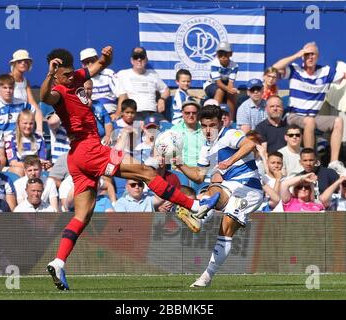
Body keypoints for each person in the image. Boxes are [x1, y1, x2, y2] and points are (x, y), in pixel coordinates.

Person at [40, 47, 220, 290]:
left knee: (82, 215)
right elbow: (44, 97)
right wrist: (50, 75)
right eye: (61, 74)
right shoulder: (58, 89)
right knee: (146, 172)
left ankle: (59, 261)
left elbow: (96, 67)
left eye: (68, 73)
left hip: (79, 156)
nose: (67, 77)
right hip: (89, 149)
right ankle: (195, 206)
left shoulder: (77, 77)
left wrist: (105, 58)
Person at [173, 104, 263, 287]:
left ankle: (206, 276)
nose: (208, 130)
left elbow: (250, 144)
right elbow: (198, 176)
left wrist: (229, 161)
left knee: (226, 228)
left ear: (220, 123)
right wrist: (180, 164)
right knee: (208, 189)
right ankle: (200, 217)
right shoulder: (206, 148)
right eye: (204, 126)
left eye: (212, 125)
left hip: (249, 188)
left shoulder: (230, 134)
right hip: (229, 186)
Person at [272, 42, 346, 175]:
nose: (310, 57)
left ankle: (333, 163)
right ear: (302, 56)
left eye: (313, 54)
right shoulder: (295, 70)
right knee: (309, 121)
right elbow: (274, 68)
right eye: (307, 54)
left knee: (338, 121)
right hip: (294, 116)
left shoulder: (325, 71)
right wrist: (298, 54)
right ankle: (308, 161)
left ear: (318, 56)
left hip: (313, 117)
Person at [114, 47, 170, 120]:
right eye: (136, 57)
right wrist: (117, 113)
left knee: (167, 129)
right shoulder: (122, 74)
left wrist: (162, 99)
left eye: (142, 57)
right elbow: (119, 94)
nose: (139, 59)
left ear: (146, 60)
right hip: (134, 114)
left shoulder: (153, 74)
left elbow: (166, 90)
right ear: (131, 60)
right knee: (138, 129)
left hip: (152, 113)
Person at [4, 109, 49, 176]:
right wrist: (30, 167)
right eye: (25, 123)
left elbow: (42, 160)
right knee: (19, 171)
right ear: (18, 123)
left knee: (50, 171)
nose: (28, 126)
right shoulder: (11, 139)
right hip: (20, 168)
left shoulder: (39, 138)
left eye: (31, 123)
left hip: (35, 168)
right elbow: (13, 163)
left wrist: (45, 164)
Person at [9, 49, 44, 135]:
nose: (23, 63)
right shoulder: (8, 79)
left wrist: (40, 129)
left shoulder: (26, 81)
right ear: (14, 64)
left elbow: (32, 103)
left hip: (23, 123)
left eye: (26, 61)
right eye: (19, 61)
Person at [0, 74, 35, 138]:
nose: (8, 91)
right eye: (5, 88)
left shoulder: (22, 103)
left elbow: (33, 109)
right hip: (2, 142)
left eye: (10, 88)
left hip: (19, 139)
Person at [203, 41, 239, 120]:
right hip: (210, 85)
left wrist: (231, 90)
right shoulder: (214, 63)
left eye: (225, 54)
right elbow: (218, 83)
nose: (223, 56)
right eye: (220, 54)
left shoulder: (235, 66)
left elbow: (230, 84)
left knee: (232, 93)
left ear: (230, 54)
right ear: (217, 55)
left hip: (224, 86)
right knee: (220, 90)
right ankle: (214, 117)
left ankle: (231, 119)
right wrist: (230, 89)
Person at [80, 48, 118, 116]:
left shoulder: (109, 73)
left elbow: (122, 95)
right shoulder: (79, 78)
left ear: (98, 60)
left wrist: (117, 115)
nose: (90, 64)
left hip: (111, 113)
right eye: (86, 62)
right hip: (91, 115)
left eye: (92, 61)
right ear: (82, 64)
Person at [172, 101, 205, 167]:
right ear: (182, 114)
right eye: (187, 113)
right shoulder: (174, 130)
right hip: (181, 169)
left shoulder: (205, 130)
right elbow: (171, 153)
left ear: (198, 114)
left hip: (200, 170)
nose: (191, 115)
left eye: (194, 113)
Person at [84, 79, 113, 146]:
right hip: (84, 142)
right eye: (83, 89)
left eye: (89, 89)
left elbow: (108, 123)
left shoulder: (98, 105)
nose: (86, 91)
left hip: (100, 140)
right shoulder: (74, 105)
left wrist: (108, 136)